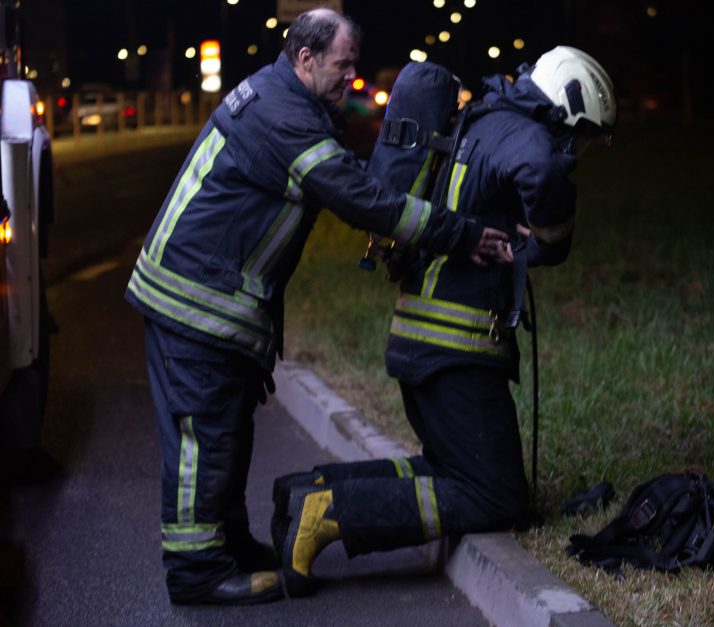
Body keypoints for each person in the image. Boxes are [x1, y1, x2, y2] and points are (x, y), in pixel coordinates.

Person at [125, 8, 507, 606]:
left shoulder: (286, 99)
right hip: (195, 301)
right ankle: (195, 570)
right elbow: (356, 196)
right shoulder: (285, 118)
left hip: (207, 296)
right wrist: (457, 233)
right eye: (344, 63)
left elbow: (349, 178)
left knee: (226, 432)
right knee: (204, 436)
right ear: (306, 58)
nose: (352, 76)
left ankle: (227, 546)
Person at [273, 46, 617, 597]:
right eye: (578, 137)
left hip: (423, 342)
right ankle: (328, 512)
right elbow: (543, 170)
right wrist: (550, 241)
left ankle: (305, 491)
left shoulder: (480, 122)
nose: (574, 151)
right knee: (495, 497)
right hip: (456, 351)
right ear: (562, 108)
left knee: (447, 470)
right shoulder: (521, 132)